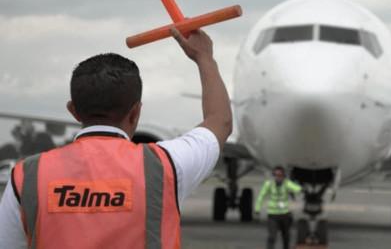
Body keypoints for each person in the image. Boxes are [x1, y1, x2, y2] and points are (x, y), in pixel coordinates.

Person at [0, 28, 232, 249]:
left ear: (73, 110)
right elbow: (219, 121)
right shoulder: (166, 166)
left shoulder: (27, 176)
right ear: (136, 112)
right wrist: (204, 59)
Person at [254, 166, 302, 249]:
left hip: (285, 215)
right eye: (276, 175)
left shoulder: (286, 183)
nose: (278, 178)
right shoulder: (268, 184)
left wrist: (300, 187)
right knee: (272, 236)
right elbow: (261, 197)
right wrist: (257, 209)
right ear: (273, 176)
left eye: (280, 176)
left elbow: (297, 189)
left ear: (283, 176)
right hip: (273, 215)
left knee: (286, 237)